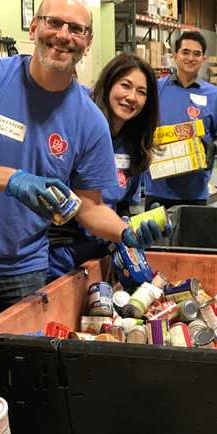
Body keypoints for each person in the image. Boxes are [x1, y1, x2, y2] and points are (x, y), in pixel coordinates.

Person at [0, 0, 146, 318]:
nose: (64, 36)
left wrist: (128, 232)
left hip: (22, 271)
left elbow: (90, 206)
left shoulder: (89, 120)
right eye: (54, 23)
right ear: (33, 28)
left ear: (87, 41)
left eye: (76, 29)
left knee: (19, 366)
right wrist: (12, 180)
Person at [47, 53, 163, 281]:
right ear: (109, 84)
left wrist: (137, 227)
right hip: (61, 253)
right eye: (125, 86)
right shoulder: (81, 128)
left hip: (102, 251)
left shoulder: (134, 146)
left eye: (141, 92)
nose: (132, 97)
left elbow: (122, 206)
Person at [144, 31, 217, 208]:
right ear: (175, 56)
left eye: (197, 54)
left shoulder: (215, 96)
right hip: (157, 188)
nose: (191, 58)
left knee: (193, 237)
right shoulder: (155, 89)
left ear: (203, 59)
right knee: (158, 236)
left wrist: (214, 147)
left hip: (196, 190)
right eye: (185, 52)